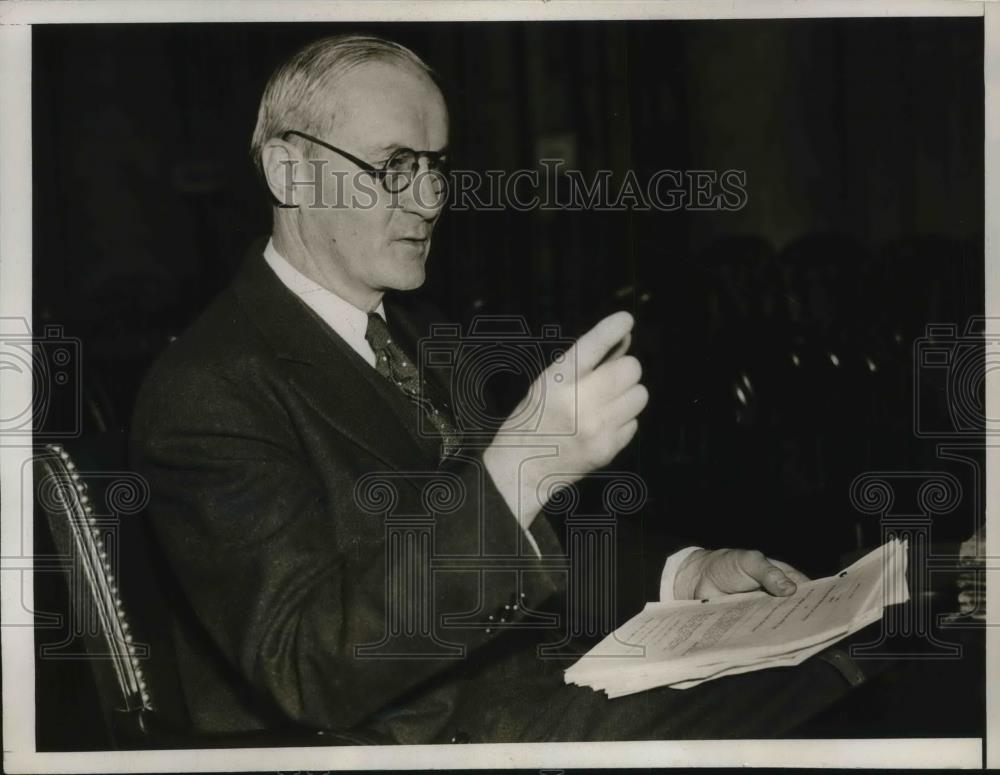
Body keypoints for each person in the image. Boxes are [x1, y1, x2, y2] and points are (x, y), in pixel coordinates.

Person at [130, 33, 860, 744]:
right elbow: (306, 664)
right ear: (289, 173)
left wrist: (684, 571)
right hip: (398, 739)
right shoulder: (207, 389)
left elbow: (528, 537)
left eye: (436, 165)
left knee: (845, 661)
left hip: (531, 690)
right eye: (394, 165)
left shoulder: (418, 330)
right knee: (834, 692)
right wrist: (519, 466)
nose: (429, 199)